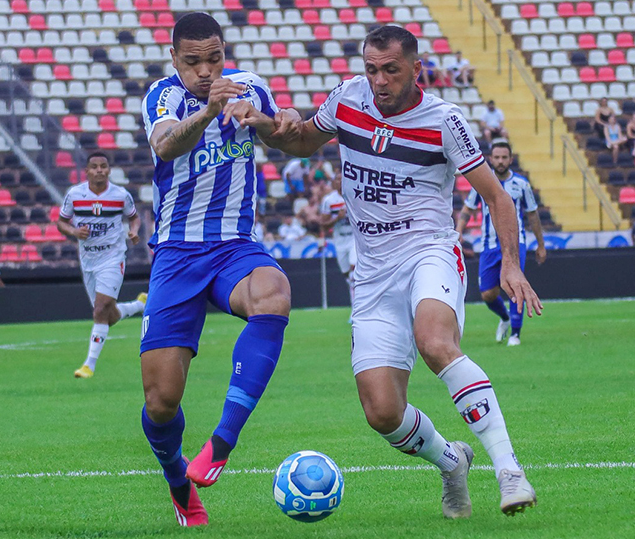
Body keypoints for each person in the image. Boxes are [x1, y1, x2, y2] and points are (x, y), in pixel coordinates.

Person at [226, 25, 543, 519]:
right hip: (371, 272)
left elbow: (497, 197)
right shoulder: (349, 97)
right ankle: (451, 461)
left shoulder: (444, 121)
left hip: (427, 251)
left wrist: (510, 262)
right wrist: (264, 123)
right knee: (382, 412)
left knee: (436, 343)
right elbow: (304, 141)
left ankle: (509, 471)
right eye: (371, 68)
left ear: (416, 69)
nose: (378, 80)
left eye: (390, 70)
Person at [138, 12, 293, 527]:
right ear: (174, 58)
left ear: (225, 52)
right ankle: (180, 484)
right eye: (193, 61)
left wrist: (266, 120)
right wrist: (210, 111)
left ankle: (220, 445)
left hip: (233, 247)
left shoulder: (250, 86)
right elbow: (165, 144)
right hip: (177, 253)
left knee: (274, 293)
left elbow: (282, 134)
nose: (206, 70)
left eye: (215, 58)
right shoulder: (162, 96)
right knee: (161, 402)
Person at [57, 152, 146, 379]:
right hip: (88, 260)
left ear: (109, 170)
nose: (99, 170)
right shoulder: (75, 195)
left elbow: (134, 217)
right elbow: (61, 222)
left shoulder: (120, 195)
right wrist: (75, 232)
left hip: (113, 257)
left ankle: (89, 365)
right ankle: (139, 305)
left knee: (100, 310)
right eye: (94, 167)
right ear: (86, 171)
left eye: (103, 166)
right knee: (108, 315)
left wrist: (134, 231)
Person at [456, 142, 546, 347]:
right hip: (488, 245)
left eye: (504, 157)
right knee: (488, 293)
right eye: (497, 157)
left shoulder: (522, 184)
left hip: (516, 243)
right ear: (490, 159)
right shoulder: (482, 182)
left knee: (514, 286)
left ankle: (516, 334)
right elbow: (468, 209)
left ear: (510, 159)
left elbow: (532, 214)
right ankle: (505, 318)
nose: (500, 161)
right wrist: (458, 232)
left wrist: (540, 245)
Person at [318, 173, 357, 310]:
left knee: (353, 273)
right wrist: (337, 218)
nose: (340, 182)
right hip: (340, 240)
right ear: (334, 183)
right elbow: (323, 224)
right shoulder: (329, 201)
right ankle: (356, 302)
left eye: (342, 179)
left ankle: (356, 310)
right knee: (347, 275)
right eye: (337, 179)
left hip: (355, 239)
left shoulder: (355, 195)